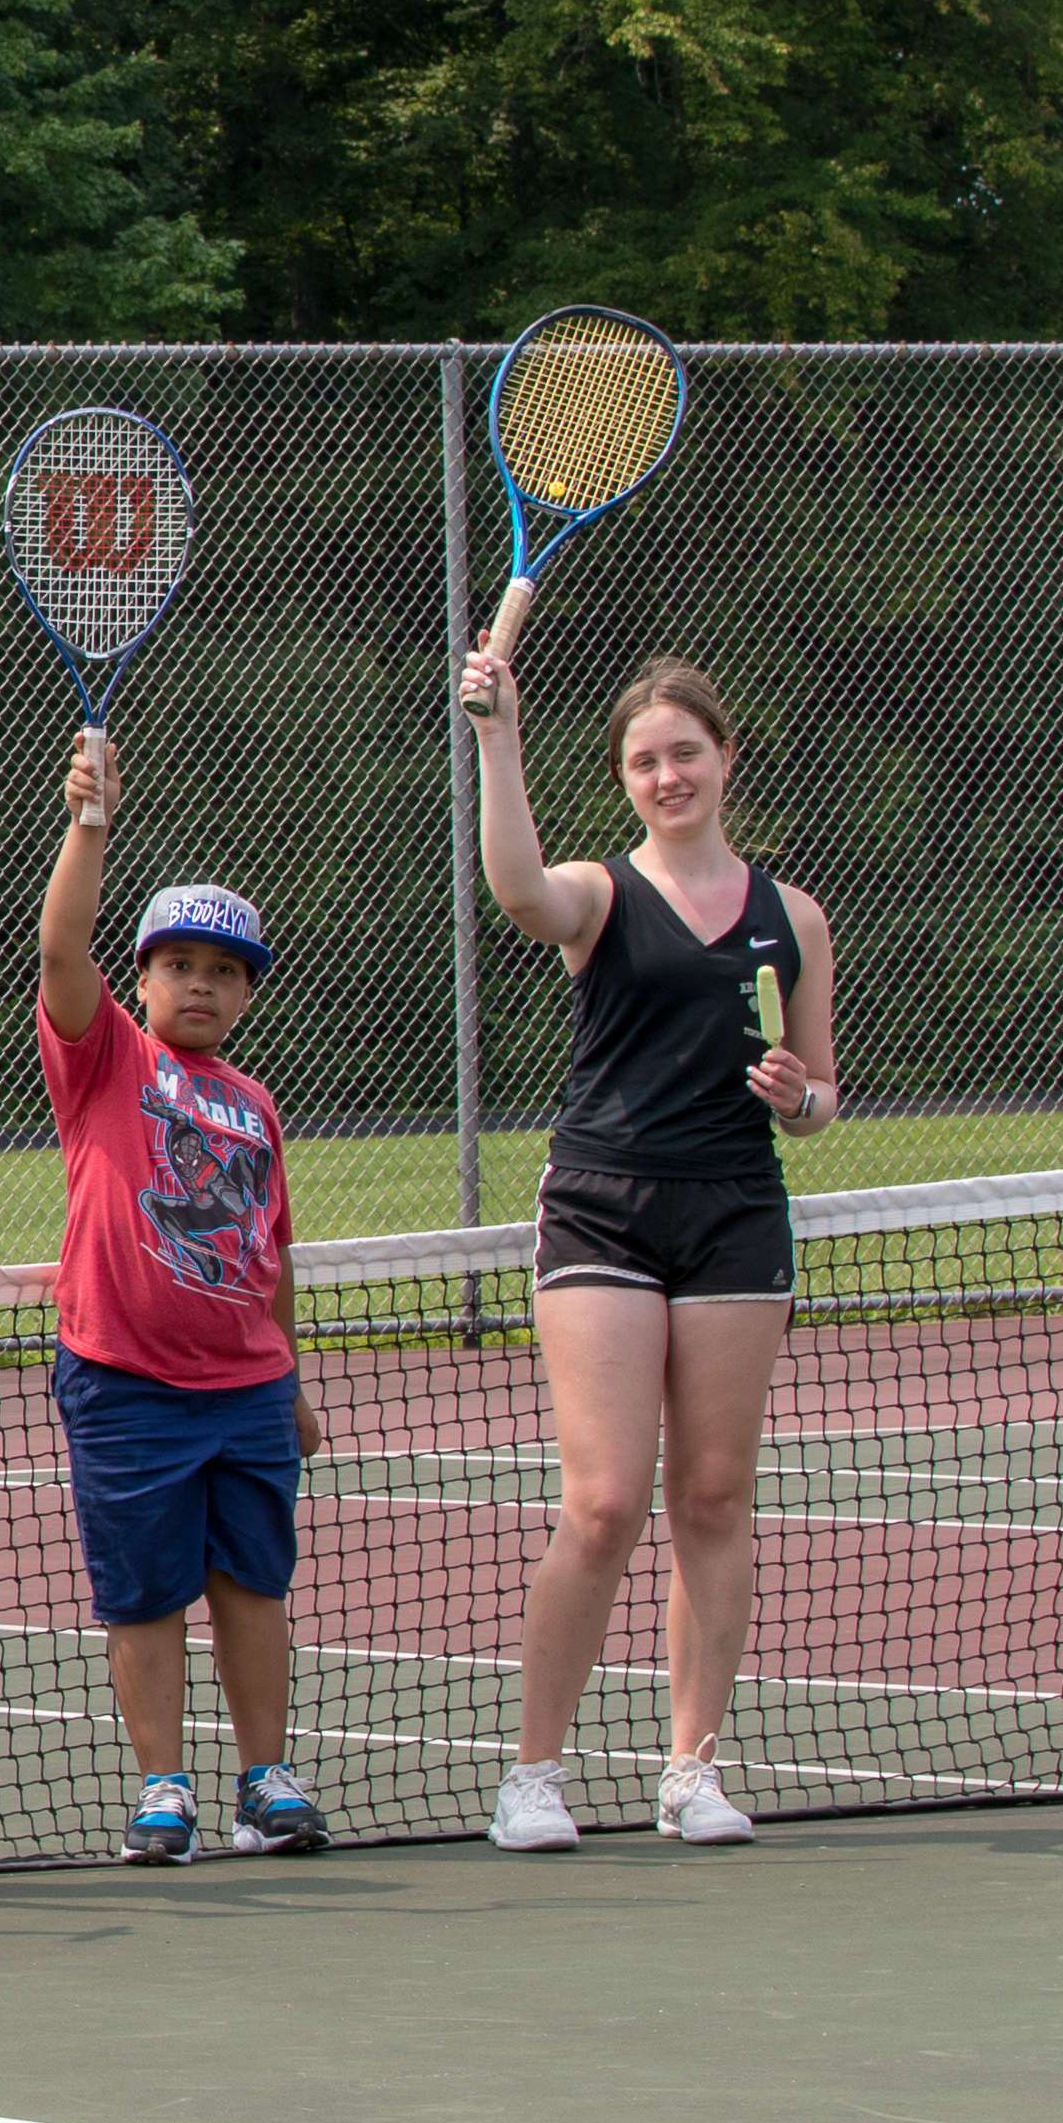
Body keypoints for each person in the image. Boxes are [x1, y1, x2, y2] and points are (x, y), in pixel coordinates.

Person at [467, 647, 839, 1850]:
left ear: (724, 757)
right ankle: (533, 1773)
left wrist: (798, 1099)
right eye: (643, 759)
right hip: (603, 1205)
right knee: (605, 1498)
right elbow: (517, 887)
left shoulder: (795, 917)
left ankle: (691, 1769)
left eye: (685, 750)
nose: (667, 773)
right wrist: (497, 734)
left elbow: (823, 1090)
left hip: (735, 1209)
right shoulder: (598, 893)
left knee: (714, 1494)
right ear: (624, 780)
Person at [32, 731, 327, 1865]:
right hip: (124, 1382)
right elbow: (62, 943)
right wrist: (89, 823)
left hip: (248, 1389)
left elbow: (273, 1250)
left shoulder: (254, 1103)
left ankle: (265, 1777)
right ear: (142, 978)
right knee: (143, 1594)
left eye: (223, 970)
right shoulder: (103, 1055)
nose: (199, 983)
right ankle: (163, 1784)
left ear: (245, 992)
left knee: (254, 1583)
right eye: (178, 964)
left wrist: (292, 1379)